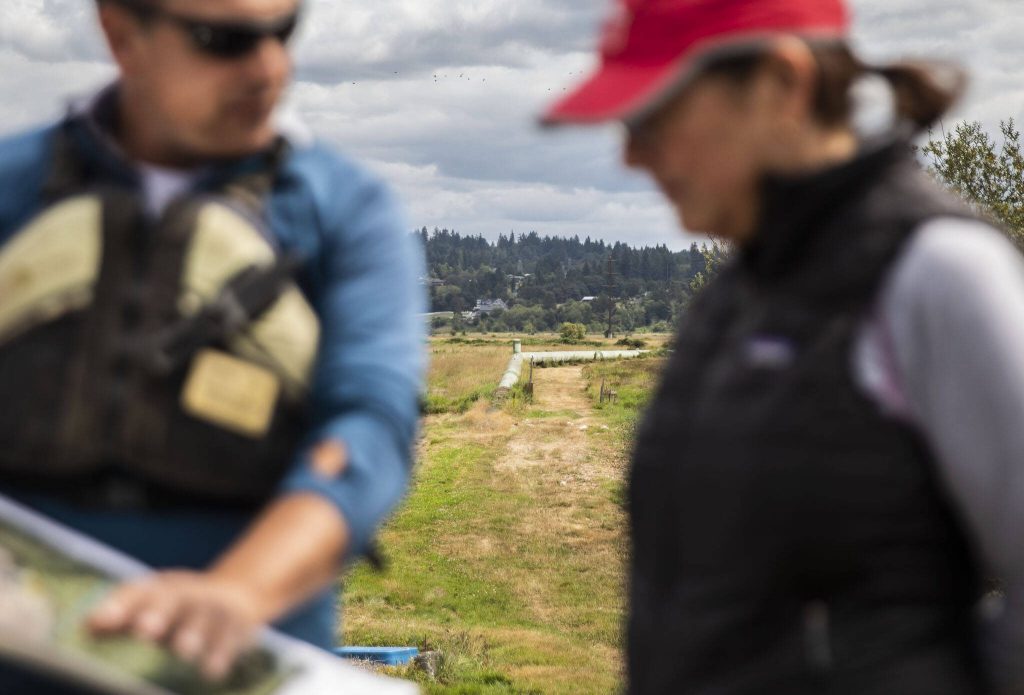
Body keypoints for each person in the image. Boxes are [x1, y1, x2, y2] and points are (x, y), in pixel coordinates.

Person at [544, 0, 1024, 693]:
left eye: (656, 113)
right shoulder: (735, 295)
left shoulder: (937, 274)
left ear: (784, 85)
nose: (630, 152)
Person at [0, 0, 425, 686]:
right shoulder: (12, 191)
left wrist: (239, 593)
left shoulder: (345, 211)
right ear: (120, 32)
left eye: (284, 31)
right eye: (221, 41)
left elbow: (371, 423)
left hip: (247, 658)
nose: (269, 69)